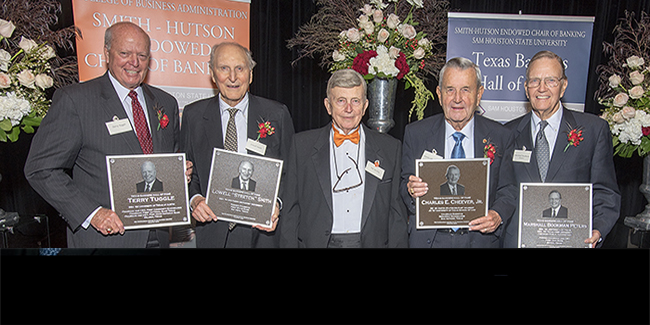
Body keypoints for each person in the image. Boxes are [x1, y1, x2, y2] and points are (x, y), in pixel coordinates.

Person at [24, 22, 180, 248]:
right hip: (106, 239)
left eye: (142, 55)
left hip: (161, 236)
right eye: (124, 53)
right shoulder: (76, 100)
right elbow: (40, 168)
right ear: (107, 53)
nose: (134, 63)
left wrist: (180, 171)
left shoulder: (165, 102)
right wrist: (92, 213)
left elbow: (168, 158)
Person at [181, 42, 294, 248]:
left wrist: (276, 204)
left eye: (240, 69)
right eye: (224, 68)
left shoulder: (276, 114)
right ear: (213, 75)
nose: (232, 77)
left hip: (263, 235)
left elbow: (290, 172)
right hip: (213, 232)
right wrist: (195, 199)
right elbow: (188, 172)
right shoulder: (193, 116)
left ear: (250, 75)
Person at [502, 50, 620, 248]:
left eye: (551, 81)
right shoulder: (507, 133)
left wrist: (598, 230)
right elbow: (502, 191)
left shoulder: (593, 130)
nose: (541, 88)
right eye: (534, 81)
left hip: (573, 241)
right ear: (525, 87)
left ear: (563, 86)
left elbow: (606, 192)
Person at [279, 69, 408, 248]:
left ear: (365, 106)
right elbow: (290, 212)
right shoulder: (302, 146)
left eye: (355, 101)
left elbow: (397, 215)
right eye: (341, 101)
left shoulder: (390, 148)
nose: (349, 109)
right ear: (328, 105)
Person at [401, 57, 516, 248]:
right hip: (430, 240)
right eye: (450, 90)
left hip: (480, 240)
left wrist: (497, 214)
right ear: (439, 94)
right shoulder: (416, 134)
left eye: (465, 90)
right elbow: (403, 183)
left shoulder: (501, 136)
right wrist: (411, 190)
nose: (457, 99)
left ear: (479, 94)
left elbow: (508, 188)